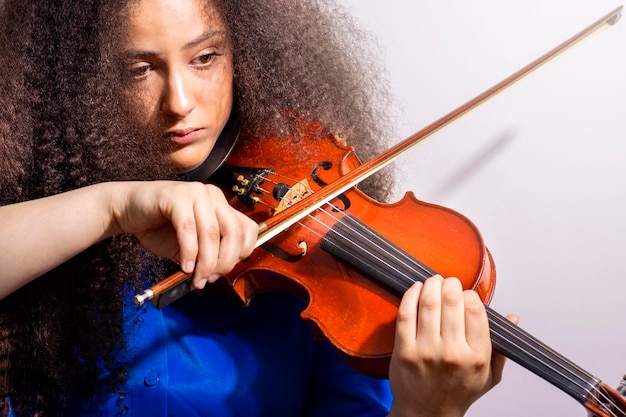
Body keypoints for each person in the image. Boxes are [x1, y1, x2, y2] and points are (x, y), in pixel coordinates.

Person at [0, 0, 517, 415]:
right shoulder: (36, 207)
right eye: (138, 69)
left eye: (205, 58)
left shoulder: (319, 270)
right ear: (76, 81)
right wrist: (109, 207)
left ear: (243, 54)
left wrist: (427, 412)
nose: (179, 101)